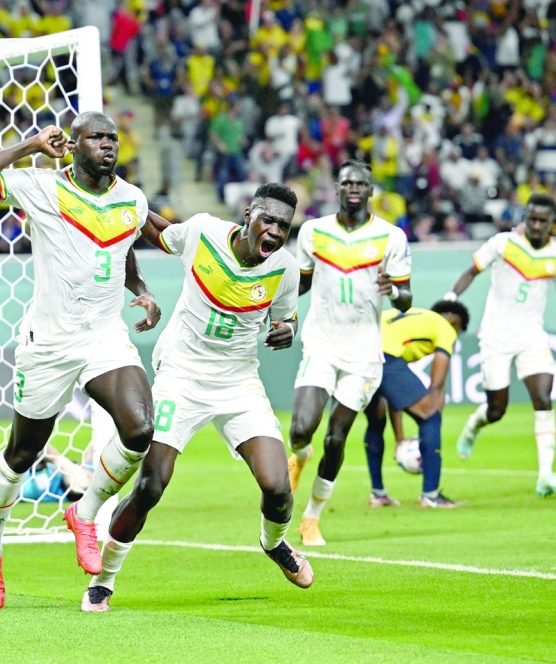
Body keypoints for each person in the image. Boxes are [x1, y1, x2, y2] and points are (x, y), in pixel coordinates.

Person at [0, 112, 160, 610]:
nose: (108, 145)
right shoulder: (41, 186)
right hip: (47, 342)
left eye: (113, 138)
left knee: (139, 428)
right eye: (97, 137)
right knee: (21, 454)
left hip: (103, 336)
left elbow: (123, 245)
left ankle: (84, 512)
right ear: (74, 145)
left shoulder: (131, 199)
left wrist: (141, 290)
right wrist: (29, 145)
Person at [81, 183, 313, 613]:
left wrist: (287, 331)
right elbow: (158, 231)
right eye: (270, 220)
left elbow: (285, 318)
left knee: (278, 487)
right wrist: (122, 202)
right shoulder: (204, 233)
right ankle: (103, 580)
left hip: (239, 383)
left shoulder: (285, 269)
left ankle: (275, 544)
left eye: (285, 225)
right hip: (182, 377)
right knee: (151, 485)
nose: (277, 231)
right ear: (249, 215)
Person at [287, 159, 413, 547]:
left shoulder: (391, 237)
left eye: (361, 182)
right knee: (300, 429)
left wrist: (393, 289)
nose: (354, 187)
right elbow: (300, 284)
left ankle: (311, 518)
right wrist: (279, 312)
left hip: (363, 352)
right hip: (321, 341)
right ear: (337, 188)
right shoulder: (312, 231)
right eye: (347, 182)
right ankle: (299, 455)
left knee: (336, 438)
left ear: (371, 190)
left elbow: (406, 300)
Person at [448, 194, 556, 497]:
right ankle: (473, 426)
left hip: (531, 334)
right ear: (525, 216)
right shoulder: (503, 244)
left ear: (550, 223)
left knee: (543, 398)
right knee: (497, 410)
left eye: (541, 221)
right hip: (495, 335)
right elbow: (471, 272)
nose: (534, 225)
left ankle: (546, 475)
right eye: (530, 218)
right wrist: (451, 300)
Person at [364, 301, 471, 508]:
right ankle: (431, 496)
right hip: (383, 356)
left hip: (355, 353)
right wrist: (433, 417)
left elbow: (395, 397)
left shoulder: (412, 317)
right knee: (430, 416)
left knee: (376, 418)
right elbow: (437, 387)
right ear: (453, 321)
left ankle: (378, 494)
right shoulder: (445, 327)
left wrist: (400, 439)